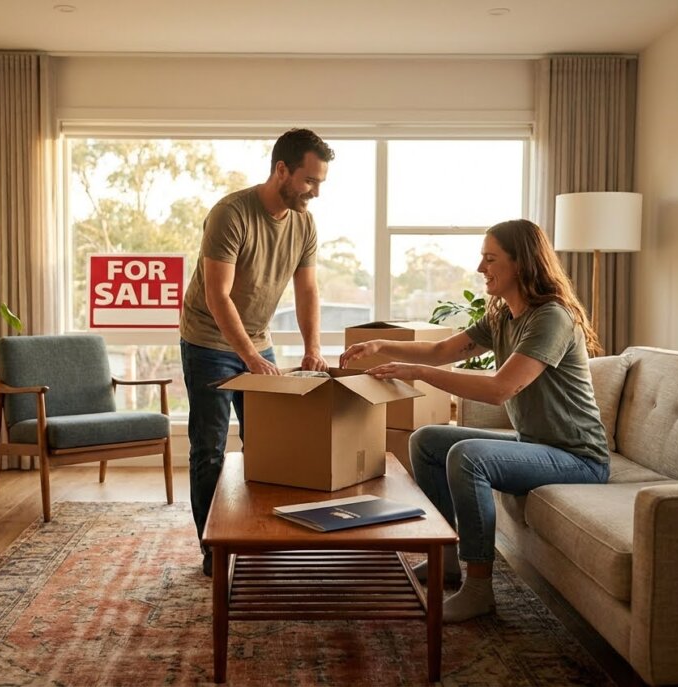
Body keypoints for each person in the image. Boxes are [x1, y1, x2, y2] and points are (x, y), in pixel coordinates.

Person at [339, 219, 610, 622]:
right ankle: (444, 558)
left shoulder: (550, 318)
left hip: (578, 457)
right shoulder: (504, 316)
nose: (481, 267)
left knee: (468, 456)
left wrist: (420, 375)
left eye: (490, 258)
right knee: (428, 439)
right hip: (537, 444)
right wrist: (380, 343)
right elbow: (441, 350)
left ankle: (479, 588)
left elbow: (501, 389)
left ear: (521, 263)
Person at [180, 128, 335, 576]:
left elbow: (308, 291)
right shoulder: (232, 213)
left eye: (321, 182)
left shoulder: (304, 222)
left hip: (257, 340)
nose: (316, 192)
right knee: (209, 448)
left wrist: (313, 348)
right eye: (310, 180)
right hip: (209, 341)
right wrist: (250, 358)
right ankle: (215, 550)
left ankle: (262, 537)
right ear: (281, 170)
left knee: (267, 446)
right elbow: (217, 295)